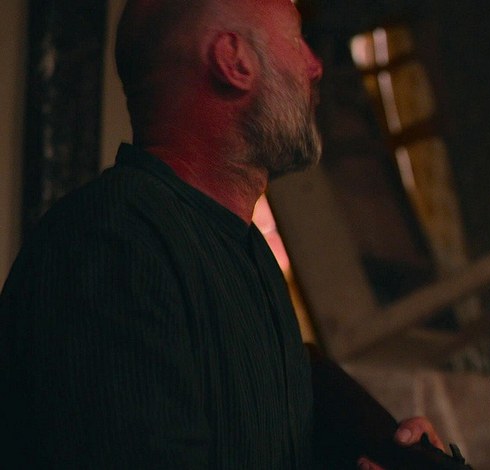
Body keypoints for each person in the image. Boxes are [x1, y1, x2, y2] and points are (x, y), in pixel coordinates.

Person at [0, 0, 443, 468]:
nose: (315, 67)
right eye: (297, 40)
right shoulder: (111, 243)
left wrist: (385, 451)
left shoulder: (245, 252)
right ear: (233, 60)